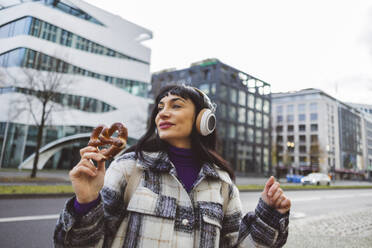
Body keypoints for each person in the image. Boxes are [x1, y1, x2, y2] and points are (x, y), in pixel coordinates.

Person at [54, 85, 291, 247]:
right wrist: (85, 202)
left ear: (203, 120)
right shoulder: (128, 167)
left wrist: (268, 216)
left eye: (176, 106)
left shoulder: (222, 183)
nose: (163, 113)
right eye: (160, 108)